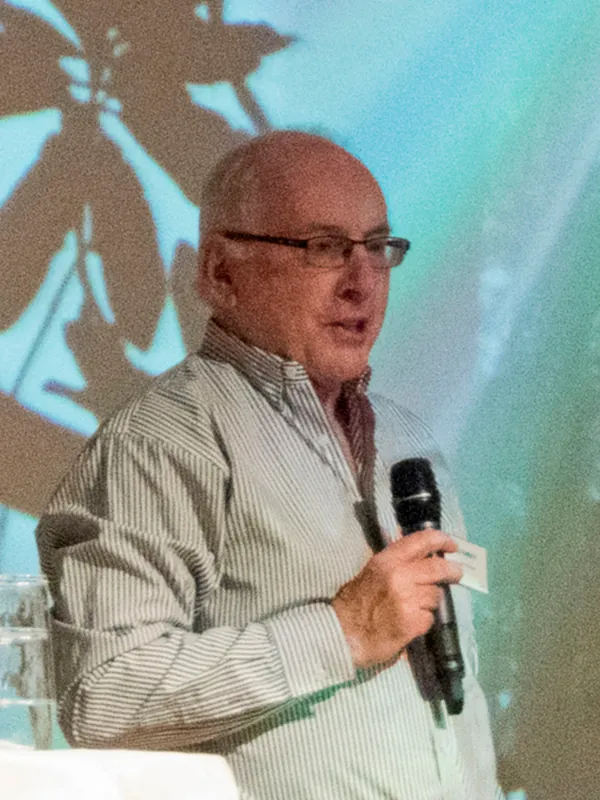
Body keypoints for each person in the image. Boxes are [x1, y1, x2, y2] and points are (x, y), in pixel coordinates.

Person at [36, 131, 504, 799]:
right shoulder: (161, 442)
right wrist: (341, 632)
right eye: (325, 248)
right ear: (220, 273)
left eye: (378, 247)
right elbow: (103, 694)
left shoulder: (410, 442)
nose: (362, 283)